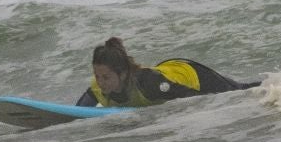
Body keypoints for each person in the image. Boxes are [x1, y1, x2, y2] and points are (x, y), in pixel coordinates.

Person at [75, 37, 259, 108]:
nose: (100, 82)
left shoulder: (149, 85)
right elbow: (75, 113)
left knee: (240, 92)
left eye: (106, 77)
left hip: (190, 76)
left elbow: (199, 99)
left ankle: (279, 85)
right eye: (97, 75)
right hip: (166, 71)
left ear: (122, 74)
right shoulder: (98, 88)